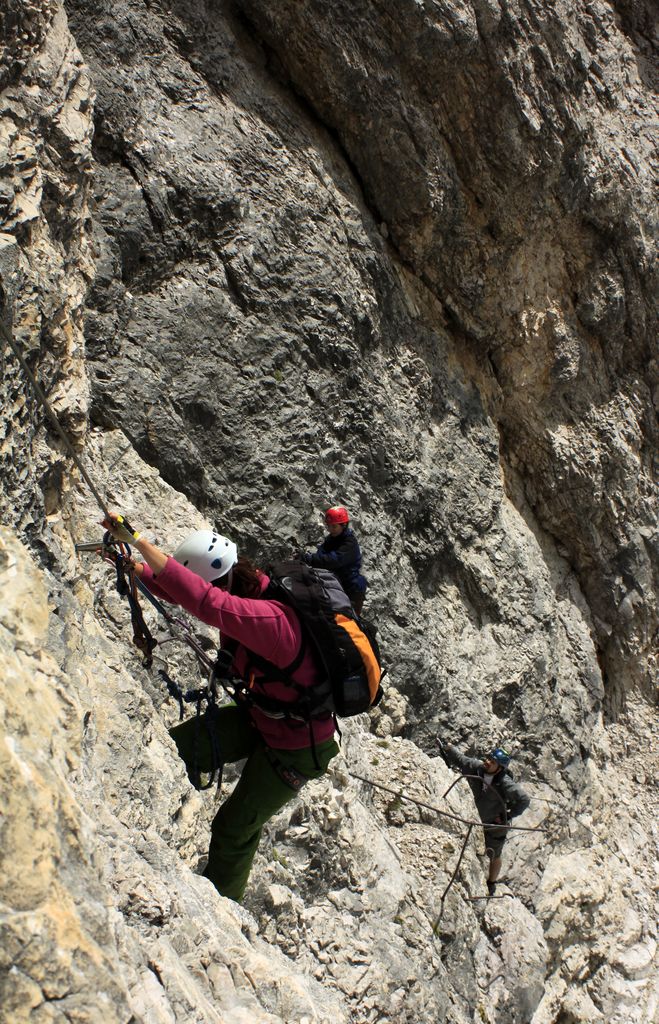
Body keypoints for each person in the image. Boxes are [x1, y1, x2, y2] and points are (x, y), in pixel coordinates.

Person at [101, 513, 340, 903]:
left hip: (298, 747)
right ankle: (165, 819)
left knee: (234, 827)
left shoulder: (268, 618)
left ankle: (223, 906)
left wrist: (140, 540)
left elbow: (204, 600)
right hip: (264, 718)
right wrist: (136, 567)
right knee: (179, 747)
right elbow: (189, 592)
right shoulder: (252, 591)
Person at [437, 740, 530, 893]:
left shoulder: (505, 783)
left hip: (495, 825)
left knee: (494, 853)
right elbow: (461, 760)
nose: (487, 762)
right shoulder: (478, 768)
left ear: (499, 767)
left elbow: (524, 799)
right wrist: (449, 748)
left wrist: (507, 815)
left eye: (492, 761)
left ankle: (491, 882)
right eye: (488, 758)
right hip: (478, 817)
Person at [300, 505, 367, 615]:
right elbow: (321, 554)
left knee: (350, 619)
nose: (331, 530)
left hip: (351, 588)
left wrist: (309, 559)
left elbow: (334, 560)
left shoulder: (349, 543)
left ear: (343, 525)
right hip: (336, 584)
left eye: (334, 526)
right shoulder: (331, 539)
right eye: (329, 526)